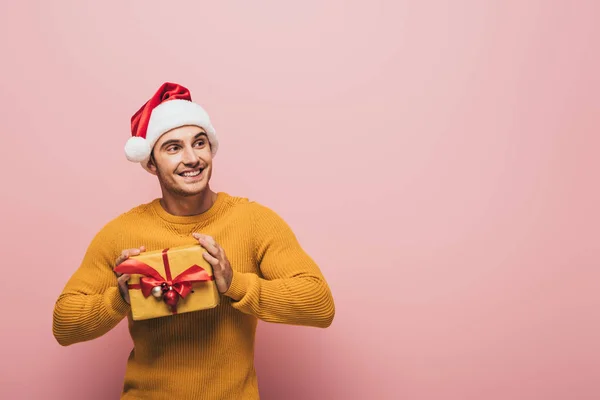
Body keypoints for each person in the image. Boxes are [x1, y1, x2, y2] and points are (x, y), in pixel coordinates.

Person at [52, 82, 335, 400]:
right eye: (173, 148)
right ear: (150, 163)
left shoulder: (254, 221)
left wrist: (233, 284)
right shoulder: (121, 232)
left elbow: (320, 305)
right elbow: (64, 325)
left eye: (199, 143)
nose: (191, 158)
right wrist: (120, 297)